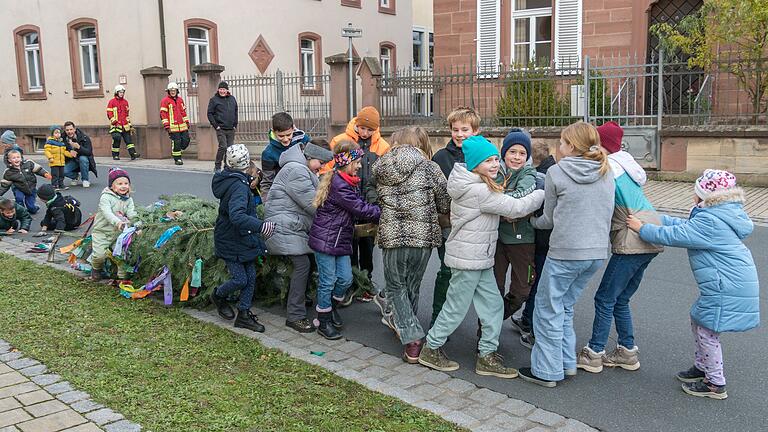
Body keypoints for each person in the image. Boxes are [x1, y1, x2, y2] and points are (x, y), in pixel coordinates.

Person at [417, 135, 544, 378]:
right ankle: (431, 348)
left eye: (496, 159)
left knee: (494, 306)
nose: (496, 164)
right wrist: (541, 192)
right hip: (468, 260)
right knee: (455, 307)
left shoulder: (477, 182)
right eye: (489, 161)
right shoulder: (477, 190)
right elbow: (515, 207)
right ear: (475, 164)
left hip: (480, 258)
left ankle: (486, 355)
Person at [628, 169, 759, 400]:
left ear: (704, 197)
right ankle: (702, 367)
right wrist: (655, 216)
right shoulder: (717, 214)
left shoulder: (710, 221)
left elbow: (676, 235)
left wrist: (643, 228)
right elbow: (682, 225)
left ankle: (715, 383)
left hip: (725, 286)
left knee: (708, 331)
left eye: (695, 192)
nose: (692, 196)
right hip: (729, 282)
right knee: (699, 320)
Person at [518, 121, 615, 388]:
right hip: (596, 253)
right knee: (565, 306)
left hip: (565, 252)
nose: (558, 147)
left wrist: (531, 223)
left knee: (547, 310)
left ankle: (547, 371)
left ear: (571, 145)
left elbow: (548, 219)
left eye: (561, 142)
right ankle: (566, 362)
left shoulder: (557, 173)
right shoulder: (607, 171)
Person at [576, 121, 663, 374]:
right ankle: (627, 351)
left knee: (605, 298)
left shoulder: (608, 168)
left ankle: (594, 353)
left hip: (632, 237)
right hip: (649, 233)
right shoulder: (627, 166)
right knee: (620, 298)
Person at [373, 126, 450, 363]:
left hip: (392, 235)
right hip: (423, 236)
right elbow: (445, 202)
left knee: (396, 287)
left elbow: (376, 198)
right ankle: (410, 335)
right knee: (412, 285)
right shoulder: (430, 167)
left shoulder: (381, 167)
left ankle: (411, 337)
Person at [308, 140, 381, 340]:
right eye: (356, 162)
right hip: (326, 240)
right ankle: (323, 321)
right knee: (327, 281)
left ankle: (329, 308)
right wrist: (384, 212)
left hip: (339, 240)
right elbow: (360, 209)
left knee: (346, 279)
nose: (359, 166)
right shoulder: (340, 185)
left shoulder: (347, 181)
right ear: (346, 162)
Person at [265, 142, 333, 333]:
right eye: (320, 162)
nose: (321, 167)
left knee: (308, 262)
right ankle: (295, 315)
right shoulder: (296, 170)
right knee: (303, 265)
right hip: (284, 226)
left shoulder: (299, 167)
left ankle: (300, 299)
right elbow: (313, 204)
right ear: (310, 157)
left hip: (291, 225)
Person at [325, 106, 390, 302]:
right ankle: (350, 284)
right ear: (357, 124)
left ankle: (366, 281)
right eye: (362, 128)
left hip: (368, 203)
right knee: (349, 245)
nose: (365, 133)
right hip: (346, 203)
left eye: (370, 130)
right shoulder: (339, 141)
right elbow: (328, 169)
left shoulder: (382, 147)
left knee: (368, 247)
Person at [210, 144, 275, 333]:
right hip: (231, 239)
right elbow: (236, 215)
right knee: (240, 279)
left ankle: (244, 315)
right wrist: (261, 226)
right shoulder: (238, 186)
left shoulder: (231, 179)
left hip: (241, 238)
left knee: (251, 276)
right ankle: (218, 295)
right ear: (246, 165)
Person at [430, 106, 479, 327]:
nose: (459, 134)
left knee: (476, 279)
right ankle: (438, 320)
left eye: (465, 129)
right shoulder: (441, 157)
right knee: (447, 272)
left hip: (477, 225)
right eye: (455, 129)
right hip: (449, 223)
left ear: (475, 131)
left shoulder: (484, 154)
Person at [493, 128, 538, 323]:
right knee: (493, 290)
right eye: (512, 152)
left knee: (522, 289)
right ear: (504, 154)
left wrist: (501, 204)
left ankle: (497, 316)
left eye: (522, 153)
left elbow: (523, 194)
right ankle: (485, 337)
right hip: (497, 240)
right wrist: (508, 212)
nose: (517, 157)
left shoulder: (529, 173)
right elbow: (486, 197)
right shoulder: (495, 171)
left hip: (523, 241)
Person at [515, 140, 556, 349]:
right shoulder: (554, 169)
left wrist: (532, 222)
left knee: (536, 281)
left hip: (542, 237)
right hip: (553, 239)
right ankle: (527, 319)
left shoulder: (540, 175)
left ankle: (529, 321)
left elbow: (540, 209)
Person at [90, 168, 139, 282]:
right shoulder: (106, 197)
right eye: (120, 183)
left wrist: (137, 223)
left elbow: (132, 213)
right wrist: (117, 222)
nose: (123, 186)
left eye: (126, 183)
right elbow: (107, 213)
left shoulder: (128, 199)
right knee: (99, 255)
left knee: (121, 254)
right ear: (112, 186)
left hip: (118, 233)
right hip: (102, 232)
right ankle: (96, 268)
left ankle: (122, 277)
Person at [260, 112, 311, 201]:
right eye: (281, 136)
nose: (285, 139)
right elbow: (267, 182)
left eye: (288, 135)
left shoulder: (303, 139)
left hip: (304, 185)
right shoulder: (268, 154)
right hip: (283, 192)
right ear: (273, 131)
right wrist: (266, 203)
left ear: (293, 129)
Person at [0, 148, 50, 214]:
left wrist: (45, 174)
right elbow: (5, 185)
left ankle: (34, 208)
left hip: (31, 188)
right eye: (14, 158)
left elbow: (38, 169)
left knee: (31, 207)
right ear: (9, 160)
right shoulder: (8, 172)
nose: (16, 159)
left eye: (18, 157)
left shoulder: (28, 163)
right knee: (19, 198)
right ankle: (21, 211)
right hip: (18, 188)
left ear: (21, 157)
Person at [207, 81, 238, 172]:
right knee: (223, 147)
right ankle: (217, 166)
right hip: (221, 128)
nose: (222, 91)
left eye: (224, 89)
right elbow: (209, 114)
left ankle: (227, 166)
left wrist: (235, 124)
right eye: (220, 89)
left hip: (231, 128)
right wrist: (216, 126)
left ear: (227, 90)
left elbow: (236, 111)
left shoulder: (232, 99)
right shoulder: (214, 100)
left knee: (229, 149)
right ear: (218, 90)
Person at [160, 82, 190, 165]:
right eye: (171, 90)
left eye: (174, 90)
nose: (173, 92)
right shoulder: (165, 101)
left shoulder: (180, 100)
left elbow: (183, 112)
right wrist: (167, 126)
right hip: (172, 126)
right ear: (168, 91)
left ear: (177, 91)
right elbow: (163, 114)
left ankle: (177, 150)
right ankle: (177, 158)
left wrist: (187, 122)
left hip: (182, 125)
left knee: (186, 140)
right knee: (176, 142)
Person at [107, 84, 139, 160]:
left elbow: (127, 115)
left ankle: (133, 154)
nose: (122, 93)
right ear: (116, 92)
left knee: (129, 141)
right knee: (117, 139)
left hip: (125, 125)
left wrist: (130, 125)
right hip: (116, 126)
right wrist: (114, 122)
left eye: (123, 92)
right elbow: (109, 114)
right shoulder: (111, 102)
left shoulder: (125, 102)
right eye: (120, 92)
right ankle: (115, 155)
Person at [63, 121, 98, 188]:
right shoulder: (62, 138)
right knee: (63, 171)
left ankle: (85, 180)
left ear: (74, 129)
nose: (69, 132)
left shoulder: (84, 137)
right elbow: (60, 150)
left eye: (71, 129)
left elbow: (89, 152)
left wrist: (79, 147)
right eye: (67, 130)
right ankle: (76, 176)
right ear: (65, 130)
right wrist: (69, 151)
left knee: (83, 158)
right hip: (72, 160)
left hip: (83, 159)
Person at [44, 126, 68, 190]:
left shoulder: (61, 143)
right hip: (54, 162)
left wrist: (70, 154)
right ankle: (54, 185)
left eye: (59, 133)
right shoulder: (50, 142)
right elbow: (47, 151)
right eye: (56, 133)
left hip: (61, 162)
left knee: (61, 175)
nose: (58, 134)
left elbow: (64, 152)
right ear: (52, 134)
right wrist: (50, 157)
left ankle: (61, 184)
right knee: (55, 175)